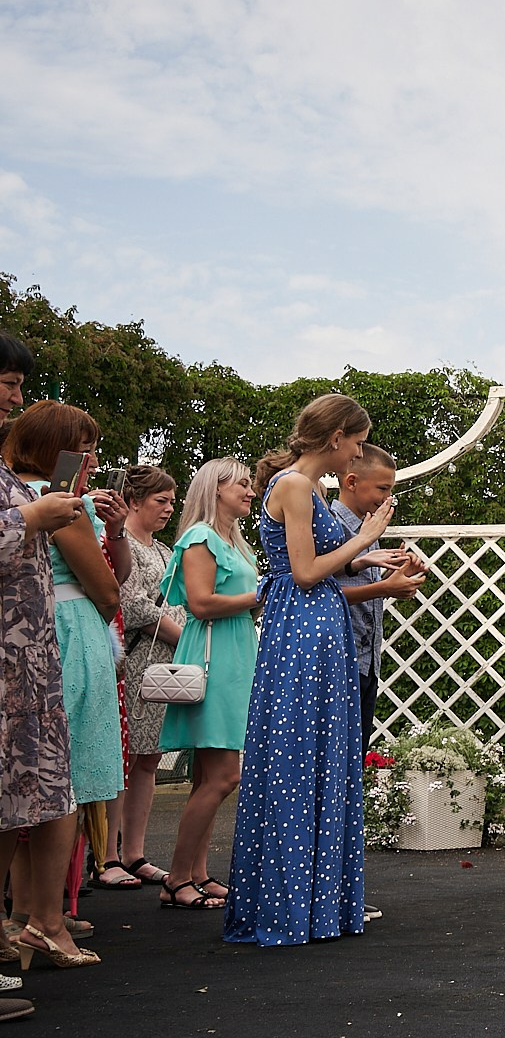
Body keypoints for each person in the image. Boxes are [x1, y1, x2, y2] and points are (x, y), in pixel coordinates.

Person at [225, 395, 396, 946]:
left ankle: (316, 903)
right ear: (337, 437)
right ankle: (291, 906)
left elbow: (320, 557)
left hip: (316, 626)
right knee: (298, 758)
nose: (358, 452)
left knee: (320, 755)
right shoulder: (297, 486)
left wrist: (367, 557)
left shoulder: (309, 488)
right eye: (357, 440)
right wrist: (366, 537)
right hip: (302, 626)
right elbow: (302, 571)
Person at [6, 402, 127, 927]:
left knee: (25, 786)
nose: (93, 461)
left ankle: (31, 911)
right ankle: (45, 916)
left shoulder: (13, 494)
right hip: (70, 631)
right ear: (59, 452)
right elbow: (106, 586)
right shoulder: (58, 503)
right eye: (86, 449)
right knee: (61, 779)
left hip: (33, 628)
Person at [0, 333, 92, 1001]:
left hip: (25, 665)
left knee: (16, 810)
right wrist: (34, 514)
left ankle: (25, 930)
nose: (15, 393)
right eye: (6, 381)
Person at [157, 460, 261, 910]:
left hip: (234, 653)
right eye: (242, 484)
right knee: (225, 776)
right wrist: (262, 596)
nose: (251, 491)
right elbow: (200, 603)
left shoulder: (232, 541)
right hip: (214, 657)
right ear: (214, 489)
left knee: (206, 775)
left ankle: (196, 873)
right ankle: (176, 878)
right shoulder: (200, 537)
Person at [110, 465, 181, 890]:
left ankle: (135, 851)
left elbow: (177, 600)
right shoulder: (126, 548)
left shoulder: (166, 551)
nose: (169, 509)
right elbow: (129, 603)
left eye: (172, 502)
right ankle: (110, 853)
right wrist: (181, 632)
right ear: (134, 501)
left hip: (162, 663)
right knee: (128, 758)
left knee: (150, 758)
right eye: (161, 501)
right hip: (135, 660)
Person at [329, 445, 426, 740]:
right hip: (340, 657)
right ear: (352, 482)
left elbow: (361, 586)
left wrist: (398, 576)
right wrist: (385, 587)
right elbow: (324, 591)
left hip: (368, 659)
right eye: (382, 488)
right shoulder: (332, 527)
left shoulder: (368, 526)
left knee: (355, 756)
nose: (388, 498)